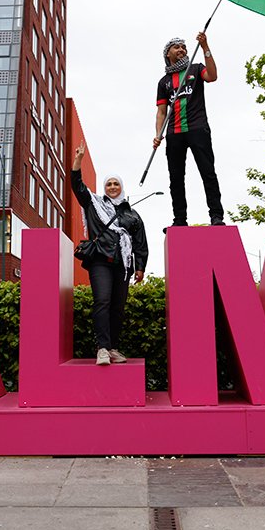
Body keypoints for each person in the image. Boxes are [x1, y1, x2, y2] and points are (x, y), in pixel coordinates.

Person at [71, 142, 148, 366]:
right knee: (102, 301)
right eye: (109, 184)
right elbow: (77, 186)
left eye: (116, 184)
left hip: (123, 265)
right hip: (100, 261)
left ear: (121, 187)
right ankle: (102, 348)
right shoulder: (94, 204)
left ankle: (113, 347)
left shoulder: (132, 214)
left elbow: (140, 242)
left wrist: (140, 266)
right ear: (105, 187)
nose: (112, 186)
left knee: (118, 307)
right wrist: (78, 161)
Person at [153, 32, 224, 227]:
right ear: (168, 53)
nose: (182, 50)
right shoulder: (164, 82)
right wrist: (158, 134)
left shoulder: (196, 68)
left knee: (207, 172)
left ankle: (216, 217)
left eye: (183, 47)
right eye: (176, 47)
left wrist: (205, 47)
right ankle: (179, 220)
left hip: (198, 128)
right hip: (174, 133)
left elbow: (213, 76)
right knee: (176, 178)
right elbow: (161, 112)